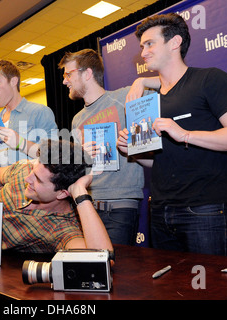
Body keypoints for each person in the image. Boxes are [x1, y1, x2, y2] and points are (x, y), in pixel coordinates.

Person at [117, 13, 227, 256]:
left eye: (150, 43)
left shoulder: (210, 79)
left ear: (175, 43)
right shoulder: (150, 100)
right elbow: (159, 160)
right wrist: (134, 153)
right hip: (160, 211)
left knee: (214, 291)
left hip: (205, 210)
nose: (143, 52)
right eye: (141, 46)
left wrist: (186, 135)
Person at [58, 49, 159, 245]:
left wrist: (142, 82)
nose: (64, 81)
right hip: (87, 205)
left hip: (120, 206)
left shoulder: (125, 97)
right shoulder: (76, 119)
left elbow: (173, 84)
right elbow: (79, 172)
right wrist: (80, 156)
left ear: (87, 74)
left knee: (115, 268)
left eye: (68, 74)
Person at [0, 59, 58, 168]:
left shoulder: (40, 112)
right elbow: (0, 165)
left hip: (29, 183)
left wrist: (20, 142)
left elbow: (53, 155)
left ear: (13, 81)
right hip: (5, 184)